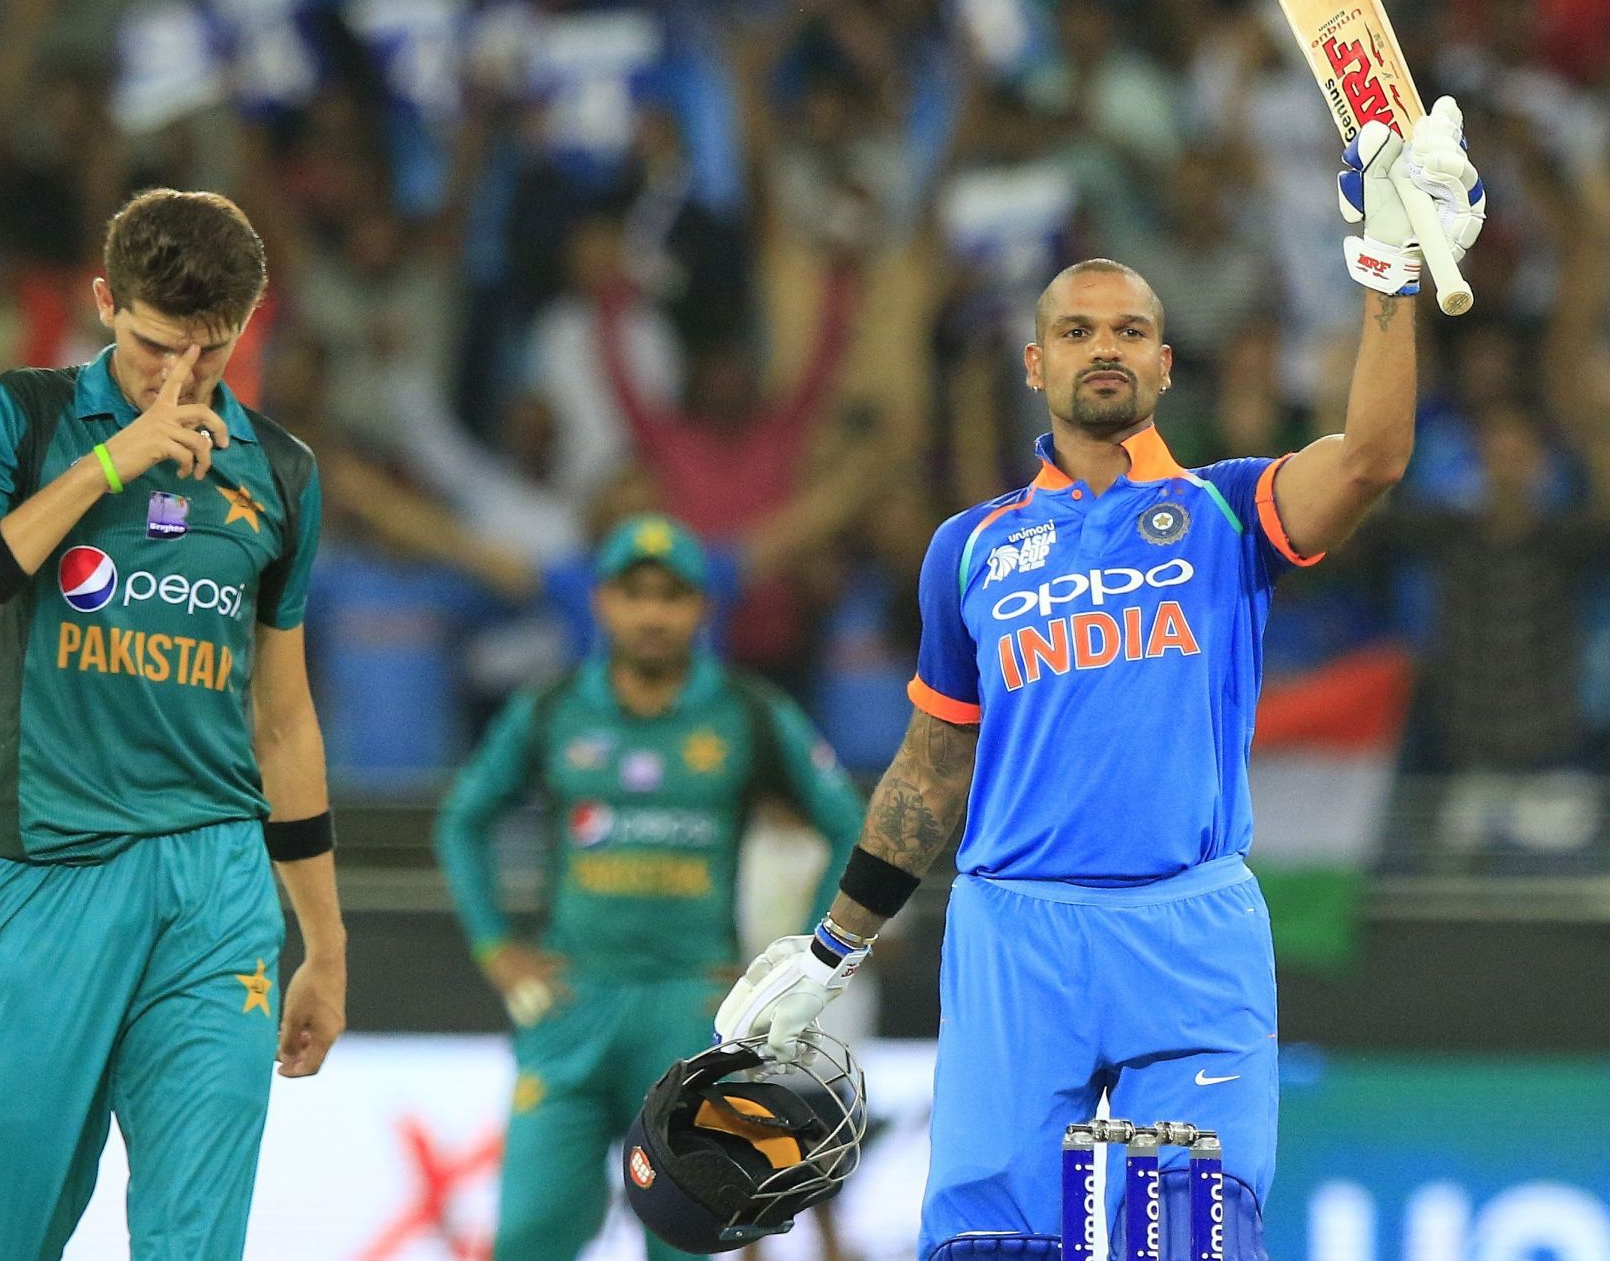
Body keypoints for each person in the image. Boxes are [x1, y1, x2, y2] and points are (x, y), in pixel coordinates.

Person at [714, 101, 1486, 1257]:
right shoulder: (968, 550)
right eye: (1077, 332)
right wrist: (831, 949)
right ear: (1036, 364)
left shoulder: (1228, 507)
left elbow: (1372, 456)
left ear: (1165, 365)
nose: (1105, 348)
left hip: (1189, 923)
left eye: (1129, 331)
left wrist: (1389, 278)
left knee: (1190, 1237)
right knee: (990, 1247)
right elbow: (932, 770)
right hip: (1015, 929)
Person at [0, 188, 347, 1260]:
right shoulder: (28, 415)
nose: (179, 378)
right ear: (104, 302)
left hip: (216, 889)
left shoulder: (281, 473)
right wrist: (114, 461)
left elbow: (282, 722)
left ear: (245, 324)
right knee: (3, 1238)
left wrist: (324, 940)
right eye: (154, 346)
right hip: (52, 867)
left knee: (194, 1242)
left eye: (208, 349)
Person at [435, 513, 866, 1261]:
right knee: (529, 1234)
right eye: (635, 594)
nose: (653, 613)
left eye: (672, 596)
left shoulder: (748, 710)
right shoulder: (553, 707)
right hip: (571, 1005)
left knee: (683, 1241)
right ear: (603, 603)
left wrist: (791, 957)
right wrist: (496, 946)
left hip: (691, 1011)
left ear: (702, 608)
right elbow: (463, 819)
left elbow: (847, 824)